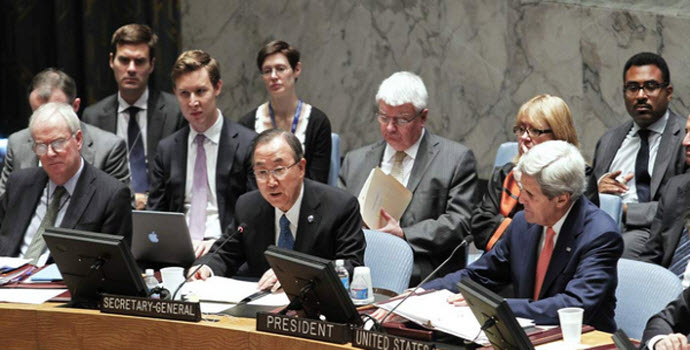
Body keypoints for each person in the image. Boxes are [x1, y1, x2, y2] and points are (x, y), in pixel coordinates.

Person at [419, 141, 623, 332]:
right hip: (528, 336)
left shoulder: (600, 235)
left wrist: (499, 307)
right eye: (522, 189)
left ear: (561, 199)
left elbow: (575, 306)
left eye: (531, 194)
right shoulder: (522, 223)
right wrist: (422, 294)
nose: (521, 198)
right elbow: (479, 275)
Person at [339, 71, 477, 286]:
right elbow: (336, 219)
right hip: (359, 274)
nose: (390, 127)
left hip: (423, 276)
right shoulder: (354, 162)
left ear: (423, 117)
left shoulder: (455, 159)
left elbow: (459, 222)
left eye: (401, 120)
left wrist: (404, 234)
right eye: (384, 117)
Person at [189, 129, 365, 291]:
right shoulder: (248, 207)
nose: (271, 182)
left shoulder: (339, 206)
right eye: (262, 172)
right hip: (262, 308)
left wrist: (297, 274)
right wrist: (205, 267)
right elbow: (225, 254)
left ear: (301, 168)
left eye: (279, 170)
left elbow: (351, 265)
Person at [147, 50, 256, 258]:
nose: (193, 102)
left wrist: (219, 244)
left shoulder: (247, 144)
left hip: (228, 252)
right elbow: (155, 216)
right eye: (184, 93)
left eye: (200, 91)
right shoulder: (167, 149)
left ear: (217, 88)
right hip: (178, 254)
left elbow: (253, 217)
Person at [0, 103, 132, 263]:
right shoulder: (19, 184)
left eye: (57, 143)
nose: (49, 153)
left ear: (78, 140)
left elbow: (111, 267)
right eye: (41, 146)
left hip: (64, 284)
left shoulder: (111, 195)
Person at [587, 52, 686, 259]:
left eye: (650, 86)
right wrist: (597, 192)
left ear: (668, 92)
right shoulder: (609, 140)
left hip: (649, 232)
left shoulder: (683, 140)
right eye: (633, 88)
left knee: (615, 251)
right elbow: (587, 196)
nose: (641, 95)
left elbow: (680, 207)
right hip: (600, 224)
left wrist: (622, 210)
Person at [82, 23, 186, 209]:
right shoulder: (93, 117)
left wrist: (149, 200)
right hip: (111, 211)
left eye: (139, 61)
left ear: (151, 65)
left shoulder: (175, 111)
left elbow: (180, 175)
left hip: (162, 210)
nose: (131, 69)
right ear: (111, 61)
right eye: (124, 60)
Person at [472, 94, 583, 251]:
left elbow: (565, 234)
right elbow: (480, 225)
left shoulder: (578, 177)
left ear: (558, 136)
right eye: (521, 129)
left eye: (534, 131)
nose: (524, 137)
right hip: (498, 262)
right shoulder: (505, 174)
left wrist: (525, 184)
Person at [0, 68, 129, 196]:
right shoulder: (17, 144)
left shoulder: (109, 148)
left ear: (76, 106)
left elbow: (118, 208)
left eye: (56, 112)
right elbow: (4, 205)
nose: (47, 122)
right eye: (38, 114)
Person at [239, 40, 331, 183]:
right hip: (260, 203)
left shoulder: (317, 122)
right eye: (267, 71)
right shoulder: (247, 124)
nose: (274, 76)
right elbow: (247, 182)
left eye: (280, 69)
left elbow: (318, 181)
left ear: (297, 69)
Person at [639, 113, 690, 275]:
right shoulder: (675, 187)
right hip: (664, 291)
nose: (685, 141)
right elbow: (651, 255)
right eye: (687, 132)